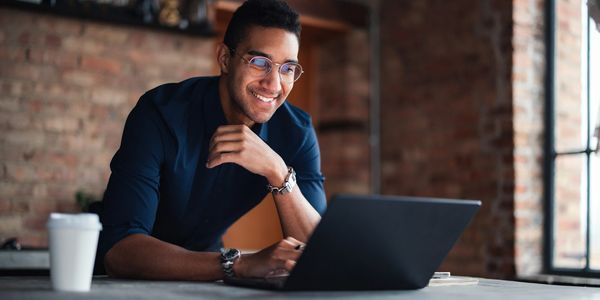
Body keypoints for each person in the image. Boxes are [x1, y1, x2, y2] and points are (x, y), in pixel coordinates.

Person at [96, 0, 326, 281]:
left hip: (207, 278)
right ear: (225, 59)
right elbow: (119, 250)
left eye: (288, 68)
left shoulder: (296, 131)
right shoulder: (160, 113)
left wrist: (277, 171)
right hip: (125, 281)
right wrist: (239, 264)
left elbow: (321, 253)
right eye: (259, 62)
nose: (274, 84)